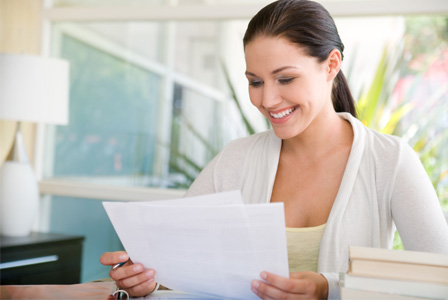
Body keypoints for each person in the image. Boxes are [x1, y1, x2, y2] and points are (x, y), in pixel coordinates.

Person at [100, 0, 448, 299]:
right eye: (255, 82)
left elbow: (440, 279)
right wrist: (147, 278)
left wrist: (330, 288)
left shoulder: (389, 160)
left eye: (285, 79)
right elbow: (175, 263)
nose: (267, 100)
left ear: (331, 65)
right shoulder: (235, 160)